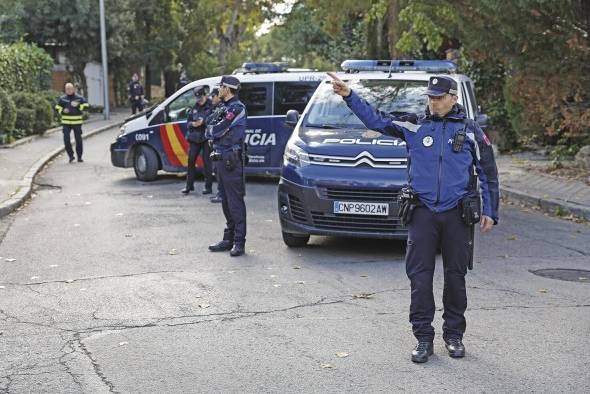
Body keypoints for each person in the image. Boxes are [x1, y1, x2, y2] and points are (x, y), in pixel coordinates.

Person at [329, 72, 500, 363]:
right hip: (422, 212)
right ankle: (423, 338)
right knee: (420, 278)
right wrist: (349, 96)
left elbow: (488, 172)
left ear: (453, 98)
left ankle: (454, 335)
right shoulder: (413, 124)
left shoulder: (470, 130)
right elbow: (376, 120)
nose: (433, 103)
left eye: (439, 98)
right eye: (430, 98)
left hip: (457, 213)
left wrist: (490, 211)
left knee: (456, 277)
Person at [206, 76, 248, 257]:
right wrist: (212, 130)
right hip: (220, 159)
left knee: (235, 202)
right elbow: (208, 125)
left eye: (221, 87)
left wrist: (213, 130)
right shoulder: (223, 107)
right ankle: (228, 238)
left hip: (231, 160)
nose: (219, 90)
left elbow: (216, 129)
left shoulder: (237, 108)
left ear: (228, 89)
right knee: (224, 200)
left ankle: (239, 242)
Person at [182, 86, 214, 195]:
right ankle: (189, 186)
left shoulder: (211, 106)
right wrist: (193, 124)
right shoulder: (194, 107)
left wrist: (204, 121)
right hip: (195, 137)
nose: (199, 101)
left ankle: (208, 187)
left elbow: (214, 119)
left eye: (201, 98)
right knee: (191, 161)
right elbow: (188, 122)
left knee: (207, 162)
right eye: (197, 99)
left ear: (205, 95)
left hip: (206, 137)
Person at [55, 83, 89, 163]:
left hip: (77, 122)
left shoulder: (79, 98)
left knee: (78, 140)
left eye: (70, 89)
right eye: (67, 89)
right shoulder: (62, 99)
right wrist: (62, 110)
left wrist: (78, 106)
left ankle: (79, 157)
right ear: (65, 90)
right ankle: (71, 156)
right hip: (66, 123)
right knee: (66, 140)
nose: (69, 90)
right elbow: (57, 108)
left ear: (73, 89)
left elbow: (86, 106)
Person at [208, 88, 223, 204]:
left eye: (213, 96)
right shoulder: (216, 108)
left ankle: (221, 194)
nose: (211, 98)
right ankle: (220, 193)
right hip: (215, 144)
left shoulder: (222, 109)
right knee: (216, 170)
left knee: (220, 171)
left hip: (221, 145)